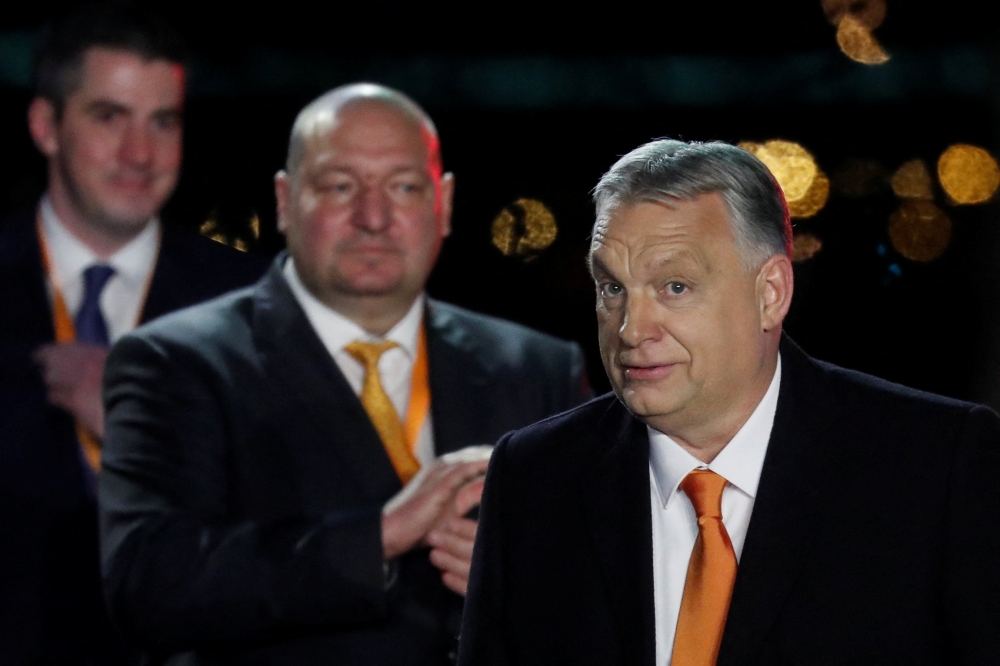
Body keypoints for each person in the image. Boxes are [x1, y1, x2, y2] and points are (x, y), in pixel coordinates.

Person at [98, 83, 590, 665]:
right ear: (285, 200)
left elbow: (614, 571)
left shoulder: (537, 368)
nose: (373, 218)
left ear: (444, 202)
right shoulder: (177, 363)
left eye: (404, 187)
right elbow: (149, 584)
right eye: (340, 186)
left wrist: (530, 580)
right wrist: (381, 535)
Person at [458, 139, 1000, 666]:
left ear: (770, 293)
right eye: (613, 288)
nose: (632, 330)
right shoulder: (535, 477)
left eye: (675, 287)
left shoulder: (936, 467)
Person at [0, 5, 267, 664]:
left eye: (162, 121)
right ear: (45, 126)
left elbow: (293, 528)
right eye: (109, 117)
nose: (140, 154)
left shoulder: (256, 307)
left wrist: (134, 428)